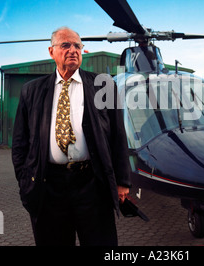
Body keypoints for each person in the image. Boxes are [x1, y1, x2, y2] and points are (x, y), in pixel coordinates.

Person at [12, 26, 131, 246]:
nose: (72, 50)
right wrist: (24, 180)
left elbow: (118, 135)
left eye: (77, 45)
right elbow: (20, 142)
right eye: (65, 45)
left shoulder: (103, 85)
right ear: (51, 51)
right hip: (49, 187)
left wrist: (122, 181)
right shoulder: (32, 91)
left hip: (92, 184)